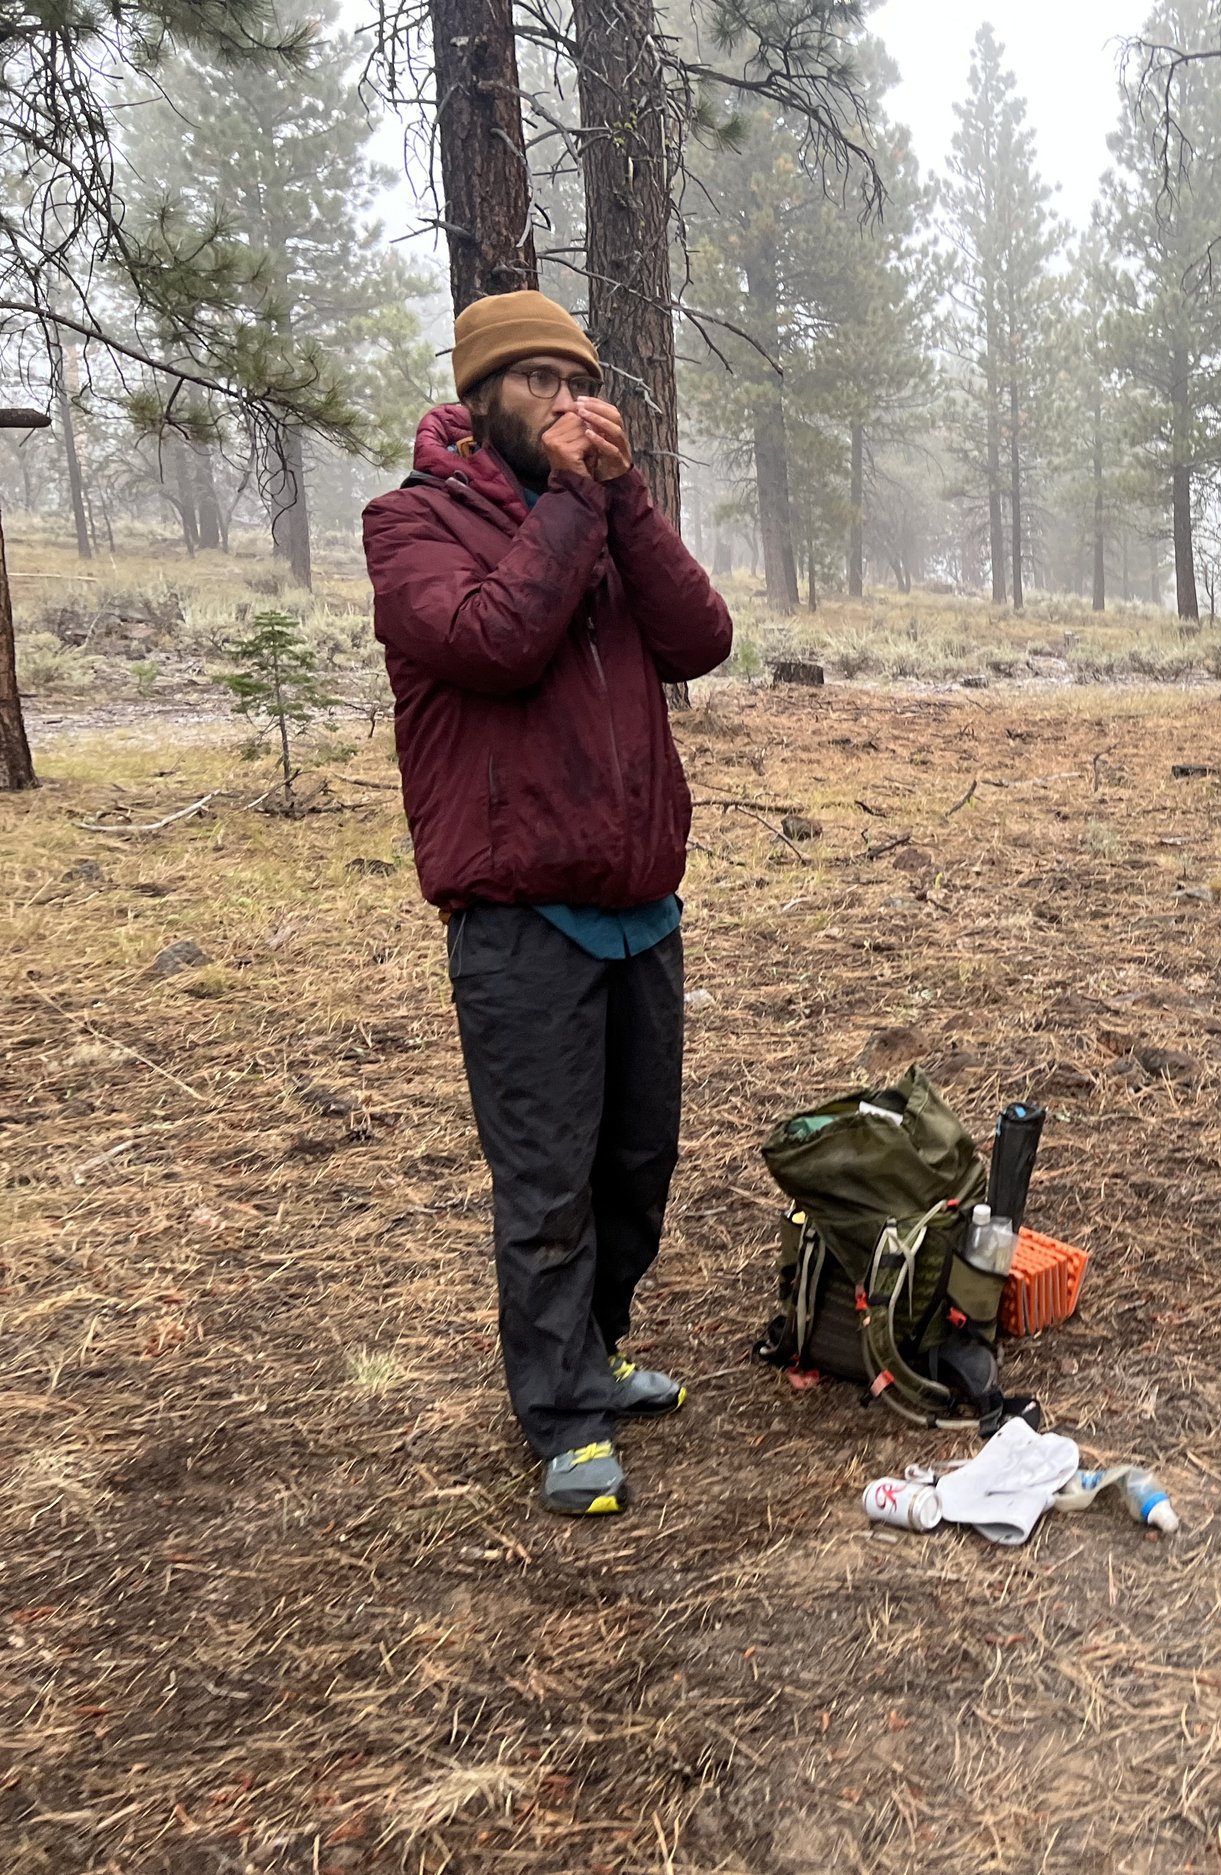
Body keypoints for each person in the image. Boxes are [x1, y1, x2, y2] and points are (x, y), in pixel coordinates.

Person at [364, 291, 734, 1514]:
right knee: (546, 1187)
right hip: (519, 915)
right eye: (532, 380)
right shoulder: (412, 524)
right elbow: (496, 641)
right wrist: (576, 505)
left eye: (574, 377)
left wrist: (622, 500)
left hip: (639, 901)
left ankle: (599, 1350)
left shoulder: (602, 516)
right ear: (478, 403)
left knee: (637, 1163)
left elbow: (700, 638)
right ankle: (562, 1412)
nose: (563, 400)